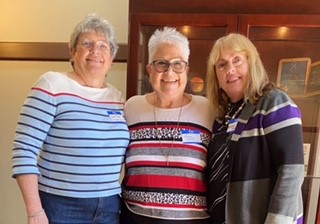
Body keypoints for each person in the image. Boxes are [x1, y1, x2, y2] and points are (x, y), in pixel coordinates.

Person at [11, 13, 130, 224]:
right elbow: (24, 150)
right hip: (61, 205)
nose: (96, 51)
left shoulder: (117, 97)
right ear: (73, 51)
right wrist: (34, 211)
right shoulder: (51, 85)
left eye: (104, 46)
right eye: (87, 43)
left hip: (110, 206)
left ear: (111, 58)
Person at [206, 33, 305, 224]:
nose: (230, 69)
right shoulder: (221, 117)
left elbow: (292, 172)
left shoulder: (274, 103)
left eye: (237, 60)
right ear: (215, 75)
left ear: (252, 63)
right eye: (222, 64)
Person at [120, 27, 214, 224]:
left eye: (177, 64)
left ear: (186, 70)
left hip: (192, 221)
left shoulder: (206, 110)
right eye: (161, 63)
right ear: (149, 70)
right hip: (136, 218)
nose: (170, 72)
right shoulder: (131, 108)